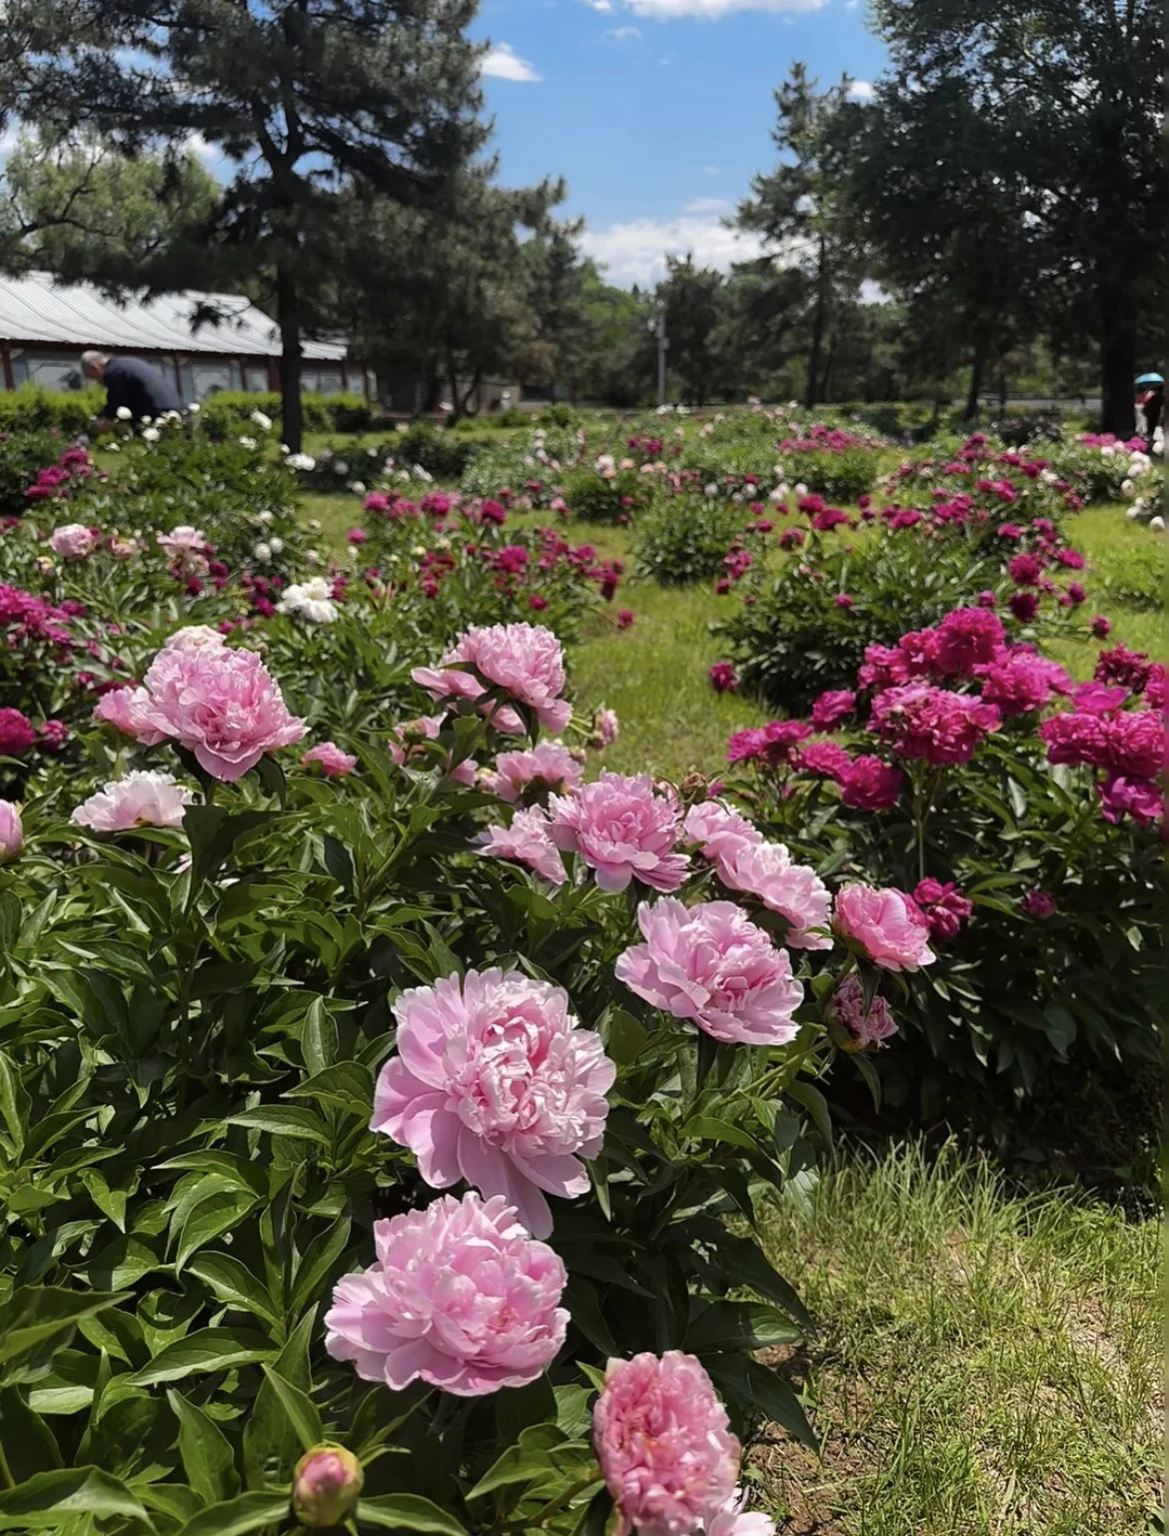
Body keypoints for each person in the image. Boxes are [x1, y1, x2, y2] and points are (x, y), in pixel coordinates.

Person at [82, 350, 184, 432]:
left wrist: (94, 433)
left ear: (94, 368)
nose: (98, 384)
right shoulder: (125, 363)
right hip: (178, 410)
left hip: (156, 416)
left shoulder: (113, 373)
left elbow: (115, 410)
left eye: (94, 378)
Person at [1134, 371, 1163, 449]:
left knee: (1150, 424)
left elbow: (1146, 402)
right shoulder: (1160, 396)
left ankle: (1149, 436)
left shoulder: (1152, 394)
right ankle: (1150, 435)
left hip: (1150, 412)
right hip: (1155, 412)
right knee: (1152, 424)